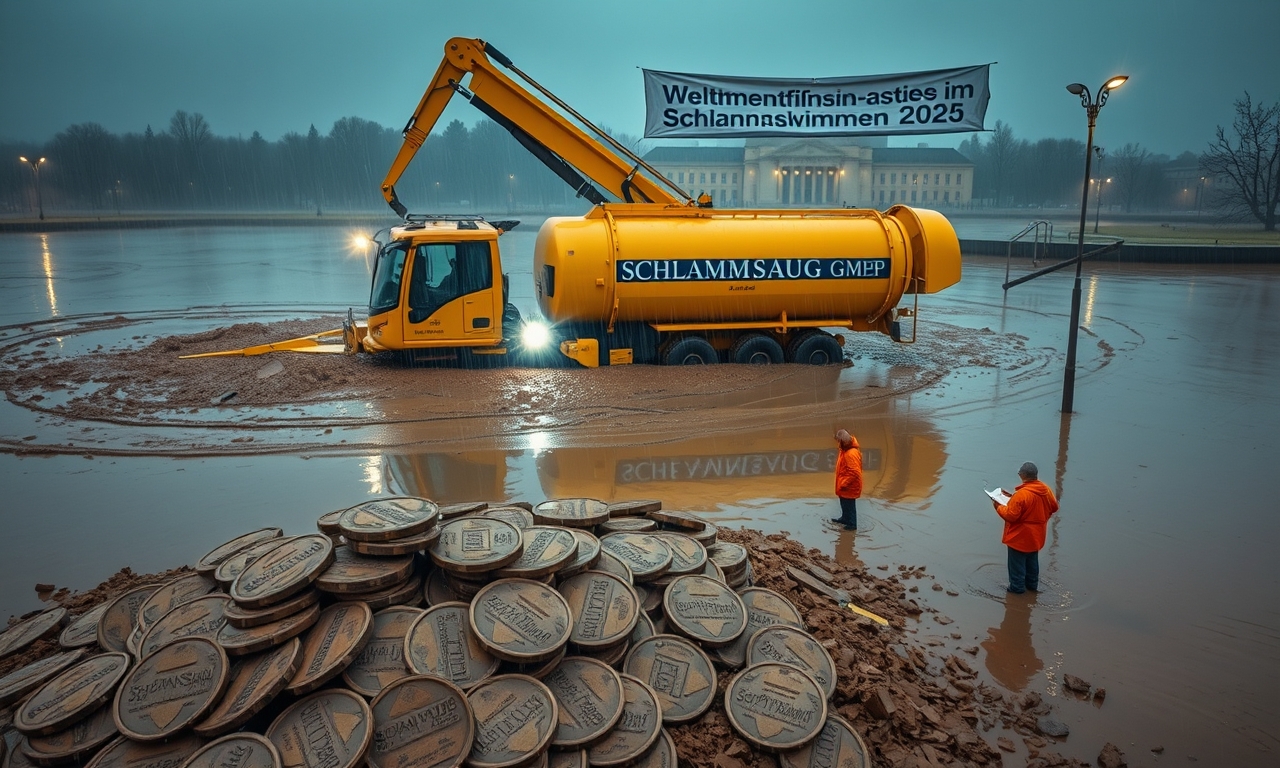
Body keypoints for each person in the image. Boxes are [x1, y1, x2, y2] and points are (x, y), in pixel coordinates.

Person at [992, 461, 1059, 594]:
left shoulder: (1022, 494)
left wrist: (998, 506)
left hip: (1019, 537)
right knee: (1032, 563)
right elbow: (1054, 507)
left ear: (1022, 475)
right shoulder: (1046, 490)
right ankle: (1032, 587)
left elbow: (1011, 516)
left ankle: (1016, 591)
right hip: (1037, 536)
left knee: (1017, 566)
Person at [832, 429, 862, 530]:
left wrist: (844, 484)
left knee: (850, 506)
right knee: (844, 503)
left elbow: (855, 473)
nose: (837, 443)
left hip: (849, 486)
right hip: (844, 484)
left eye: (838, 441)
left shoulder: (851, 453)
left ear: (843, 441)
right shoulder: (844, 451)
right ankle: (844, 518)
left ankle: (852, 525)